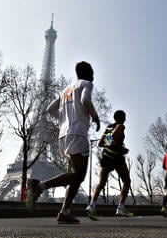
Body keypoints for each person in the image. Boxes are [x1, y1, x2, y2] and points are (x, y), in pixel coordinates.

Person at [27, 61, 100, 224]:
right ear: (88, 73)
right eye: (92, 72)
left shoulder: (67, 89)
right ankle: (40, 186)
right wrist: (94, 116)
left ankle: (64, 212)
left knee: (77, 176)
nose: (93, 76)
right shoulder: (86, 84)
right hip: (78, 133)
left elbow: (50, 109)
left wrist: (64, 121)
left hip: (63, 134)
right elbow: (86, 100)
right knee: (79, 175)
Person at [86, 110, 133, 220]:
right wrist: (120, 148)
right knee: (127, 181)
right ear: (123, 118)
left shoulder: (108, 127)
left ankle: (91, 205)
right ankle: (120, 207)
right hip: (116, 158)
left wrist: (111, 142)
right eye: (124, 118)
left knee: (101, 183)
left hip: (106, 157)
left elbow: (101, 143)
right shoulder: (120, 126)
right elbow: (114, 135)